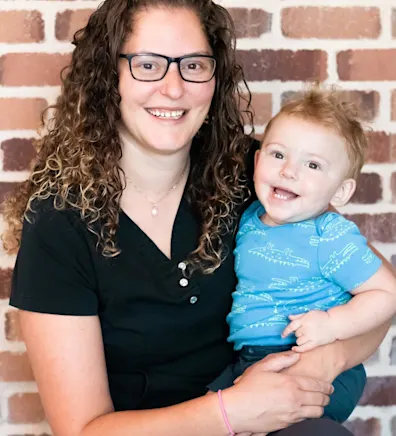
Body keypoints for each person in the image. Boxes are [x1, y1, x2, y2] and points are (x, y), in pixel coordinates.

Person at [2, 1, 391, 435]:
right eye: (147, 65)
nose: (173, 88)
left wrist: (321, 364)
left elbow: (378, 299)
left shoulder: (260, 173)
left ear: (214, 77)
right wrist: (229, 412)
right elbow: (82, 430)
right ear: (108, 77)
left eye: (193, 65)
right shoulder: (60, 221)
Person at [207, 88, 396, 423]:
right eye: (278, 155)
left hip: (311, 360)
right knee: (206, 415)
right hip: (249, 357)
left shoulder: (329, 234)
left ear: (340, 191)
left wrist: (332, 324)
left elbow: (387, 293)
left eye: (312, 164)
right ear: (257, 160)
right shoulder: (250, 217)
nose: (289, 171)